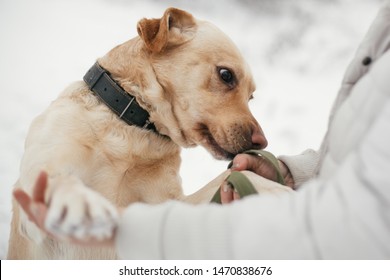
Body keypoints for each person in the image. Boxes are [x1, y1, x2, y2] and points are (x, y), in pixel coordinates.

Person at [14, 1, 390, 259]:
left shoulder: (163, 150)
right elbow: (36, 206)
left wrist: (268, 181)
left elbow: (168, 237)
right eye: (226, 78)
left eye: (248, 98)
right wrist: (60, 196)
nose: (257, 134)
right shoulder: (68, 119)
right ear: (163, 39)